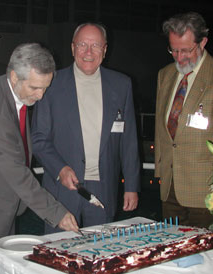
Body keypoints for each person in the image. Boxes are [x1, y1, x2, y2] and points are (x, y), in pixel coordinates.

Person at [0, 43, 79, 274]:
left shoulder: (8, 92)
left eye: (45, 87)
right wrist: (58, 213)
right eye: (35, 87)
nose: (40, 95)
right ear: (14, 76)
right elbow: (18, 174)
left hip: (1, 203)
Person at [31, 23, 140, 233]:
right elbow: (38, 138)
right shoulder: (51, 84)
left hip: (104, 188)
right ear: (73, 48)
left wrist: (132, 186)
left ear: (105, 50)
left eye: (96, 45)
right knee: (59, 255)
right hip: (61, 189)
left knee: (100, 258)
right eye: (82, 44)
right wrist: (60, 169)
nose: (88, 52)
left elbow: (129, 141)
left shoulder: (122, 85)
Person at [154, 11, 213, 228]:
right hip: (170, 189)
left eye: (186, 50)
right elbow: (161, 130)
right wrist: (160, 171)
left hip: (207, 192)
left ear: (203, 42)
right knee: (171, 250)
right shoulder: (165, 75)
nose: (179, 57)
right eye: (174, 50)